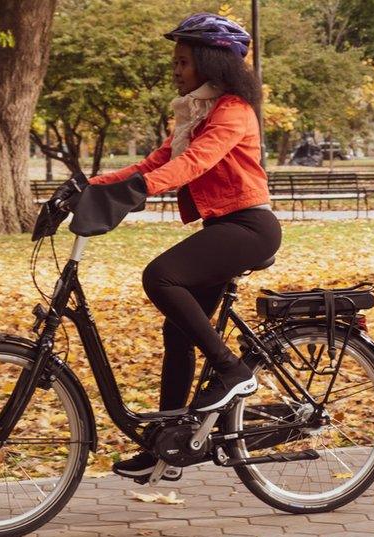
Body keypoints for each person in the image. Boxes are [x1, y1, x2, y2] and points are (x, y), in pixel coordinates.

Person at [83, 13, 281, 479]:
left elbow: (194, 163)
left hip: (250, 227)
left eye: (184, 61)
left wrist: (134, 193)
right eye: (175, 61)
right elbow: (156, 160)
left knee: (161, 276)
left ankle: (232, 371)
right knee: (178, 330)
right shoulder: (199, 112)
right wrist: (88, 186)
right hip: (223, 228)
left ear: (211, 63)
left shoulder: (233, 111)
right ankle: (166, 446)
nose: (176, 69)